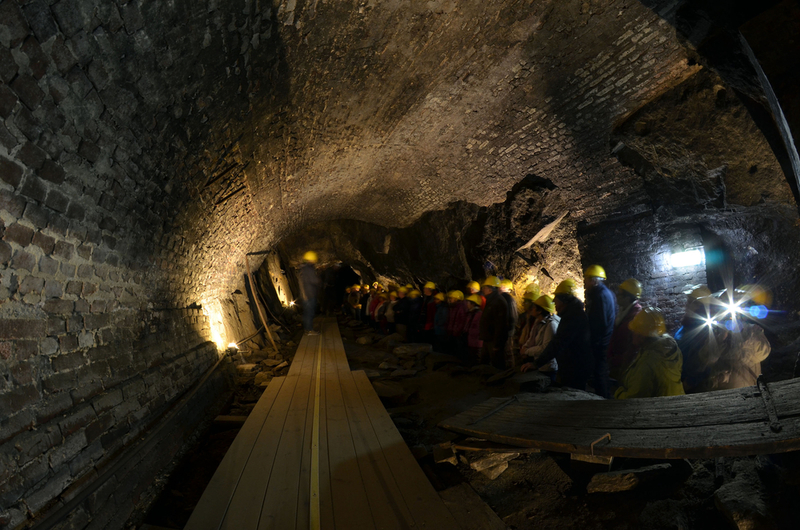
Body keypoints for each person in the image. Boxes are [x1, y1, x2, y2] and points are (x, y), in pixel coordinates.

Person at [531, 279, 592, 391]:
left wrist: (537, 363)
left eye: (557, 298)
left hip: (574, 367)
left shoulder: (572, 317)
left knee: (572, 397)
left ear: (564, 300)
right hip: (575, 365)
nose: (554, 301)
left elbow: (558, 343)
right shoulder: (573, 314)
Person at [615, 307, 684, 399]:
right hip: (675, 401)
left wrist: (618, 392)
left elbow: (633, 399)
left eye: (635, 331)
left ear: (642, 336)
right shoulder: (668, 348)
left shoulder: (648, 363)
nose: (632, 333)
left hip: (659, 409)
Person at [584, 265, 616, 398]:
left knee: (600, 373)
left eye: (586, 280)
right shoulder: (607, 293)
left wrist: (593, 341)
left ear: (594, 280)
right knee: (600, 372)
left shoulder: (600, 296)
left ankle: (603, 401)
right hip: (604, 341)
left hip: (600, 343)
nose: (585, 284)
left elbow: (600, 323)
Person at [607, 278, 643, 381]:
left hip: (626, 366)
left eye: (620, 294)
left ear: (627, 298)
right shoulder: (623, 312)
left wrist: (618, 360)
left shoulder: (635, 316)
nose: (617, 296)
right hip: (618, 363)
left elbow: (634, 347)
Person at [520, 295, 560, 380]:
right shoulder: (538, 322)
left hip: (549, 368)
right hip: (540, 365)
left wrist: (527, 351)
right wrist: (525, 347)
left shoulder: (551, 325)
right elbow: (532, 339)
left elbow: (545, 348)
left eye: (534, 307)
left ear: (539, 311)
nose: (532, 309)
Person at [478, 276, 509, 369]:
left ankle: (499, 381)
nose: (483, 289)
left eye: (485, 288)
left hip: (493, 339)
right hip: (488, 338)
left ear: (490, 289)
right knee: (484, 361)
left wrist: (497, 344)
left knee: (497, 363)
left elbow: (501, 325)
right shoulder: (491, 300)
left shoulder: (498, 301)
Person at [499, 279, 519, 368]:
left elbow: (513, 316)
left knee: (508, 351)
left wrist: (510, 330)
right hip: (505, 329)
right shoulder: (506, 298)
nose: (499, 288)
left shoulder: (508, 299)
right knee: (505, 351)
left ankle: (510, 370)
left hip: (506, 330)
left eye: (501, 286)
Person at [300, 251, 321, 335]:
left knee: (307, 312)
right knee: (310, 312)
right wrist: (319, 279)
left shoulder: (303, 268)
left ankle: (307, 329)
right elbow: (314, 280)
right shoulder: (309, 269)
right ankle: (309, 330)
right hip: (309, 294)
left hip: (306, 294)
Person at [462, 294, 484, 362]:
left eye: (468, 303)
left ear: (473, 304)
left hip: (476, 342)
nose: (467, 304)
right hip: (471, 340)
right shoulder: (471, 313)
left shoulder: (478, 314)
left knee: (475, 359)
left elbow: (477, 328)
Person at [446, 290, 467, 355]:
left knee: (457, 350)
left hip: (457, 333)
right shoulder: (452, 307)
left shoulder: (461, 308)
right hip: (452, 331)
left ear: (456, 299)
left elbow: (461, 321)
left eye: (451, 298)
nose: (449, 300)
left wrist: (456, 331)